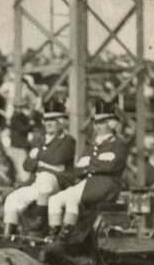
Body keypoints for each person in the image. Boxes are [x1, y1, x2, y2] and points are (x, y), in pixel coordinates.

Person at [47, 102, 128, 247]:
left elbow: (112, 166)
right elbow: (78, 169)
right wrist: (95, 166)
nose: (97, 126)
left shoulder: (119, 145)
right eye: (96, 123)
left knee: (72, 199)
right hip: (86, 184)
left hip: (106, 186)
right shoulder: (91, 146)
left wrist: (90, 166)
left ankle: (64, 241)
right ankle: (54, 237)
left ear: (111, 124)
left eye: (102, 123)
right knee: (54, 200)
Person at [1, 105, 75, 237]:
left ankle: (40, 220)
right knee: (13, 199)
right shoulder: (40, 141)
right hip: (38, 182)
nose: (49, 124)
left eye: (53, 120)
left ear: (61, 123)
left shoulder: (68, 141)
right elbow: (27, 166)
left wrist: (38, 156)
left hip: (58, 184)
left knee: (46, 177)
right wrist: (44, 159)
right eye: (46, 120)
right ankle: (8, 236)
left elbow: (58, 158)